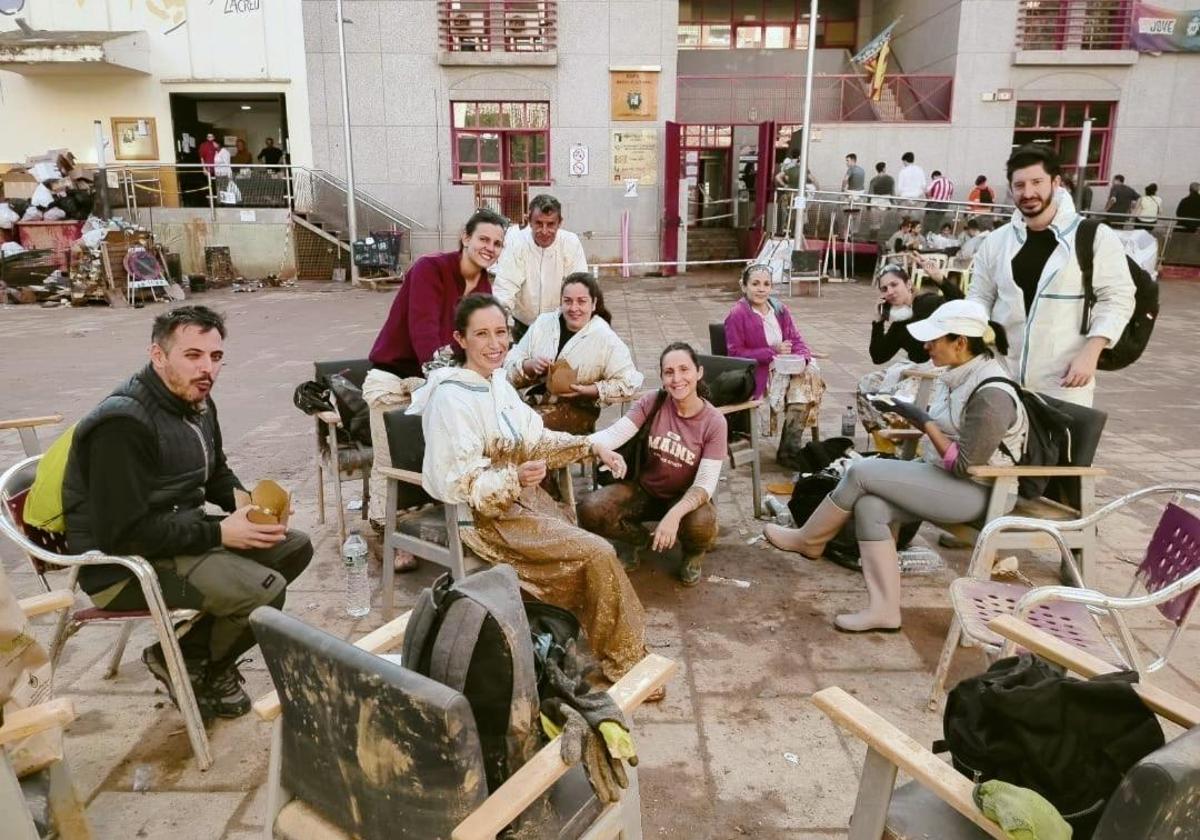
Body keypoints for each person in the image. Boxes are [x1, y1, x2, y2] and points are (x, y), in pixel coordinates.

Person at [60, 306, 313, 718]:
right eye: (192, 355)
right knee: (262, 590)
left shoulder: (195, 399)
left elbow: (215, 473)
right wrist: (218, 535)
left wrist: (248, 505)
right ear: (158, 356)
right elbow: (120, 534)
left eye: (215, 358)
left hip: (174, 536)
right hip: (122, 567)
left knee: (291, 546)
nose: (207, 369)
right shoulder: (122, 424)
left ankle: (183, 653)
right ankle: (196, 662)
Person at [407, 294, 647, 683]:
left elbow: (536, 440)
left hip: (524, 502)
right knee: (598, 551)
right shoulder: (451, 397)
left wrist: (591, 445)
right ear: (460, 339)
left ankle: (573, 640)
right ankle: (626, 661)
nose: (495, 343)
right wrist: (512, 479)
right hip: (486, 520)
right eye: (481, 334)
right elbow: (459, 485)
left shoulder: (498, 383)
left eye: (501, 332)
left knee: (583, 548)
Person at [767, 301, 1028, 632]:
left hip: (981, 492)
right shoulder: (959, 375)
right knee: (871, 506)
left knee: (860, 472)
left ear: (959, 343)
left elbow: (965, 465)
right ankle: (884, 610)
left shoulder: (992, 394)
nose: (926, 346)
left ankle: (809, 539)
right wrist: (909, 414)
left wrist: (924, 422)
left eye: (934, 340)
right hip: (946, 478)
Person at [363, 208, 507, 537]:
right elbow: (423, 334)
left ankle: (460, 523)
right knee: (392, 459)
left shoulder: (485, 287)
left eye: (497, 244)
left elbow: (480, 341)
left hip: (442, 383)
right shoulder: (430, 268)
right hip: (395, 377)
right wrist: (453, 385)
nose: (490, 247)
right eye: (483, 239)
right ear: (465, 237)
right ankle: (383, 529)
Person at [968, 144, 1134, 407]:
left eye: (1037, 182)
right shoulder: (997, 242)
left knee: (1061, 448)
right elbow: (979, 295)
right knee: (998, 448)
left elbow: (1118, 298)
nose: (1028, 192)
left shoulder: (1093, 236)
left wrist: (1091, 353)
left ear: (1056, 183)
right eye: (1019, 185)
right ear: (1011, 189)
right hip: (1002, 377)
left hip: (1065, 379)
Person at [579, 343, 727, 587]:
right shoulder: (653, 402)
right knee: (590, 508)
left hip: (684, 500)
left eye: (684, 370)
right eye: (669, 372)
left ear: (699, 372)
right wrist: (575, 445)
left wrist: (674, 515)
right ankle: (636, 540)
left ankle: (692, 554)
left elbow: (705, 485)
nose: (677, 379)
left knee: (702, 524)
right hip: (644, 492)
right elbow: (613, 434)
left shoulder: (714, 422)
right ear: (662, 377)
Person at [505, 272, 643, 434]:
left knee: (526, 429)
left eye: (582, 302)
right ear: (561, 302)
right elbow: (508, 364)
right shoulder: (544, 324)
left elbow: (630, 381)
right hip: (534, 401)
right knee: (505, 422)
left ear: (593, 304)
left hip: (577, 411)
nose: (574, 308)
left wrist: (590, 390)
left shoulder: (605, 338)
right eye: (567, 301)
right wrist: (529, 366)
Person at [723, 264, 821, 436]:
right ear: (743, 286)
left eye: (766, 284)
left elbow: (796, 339)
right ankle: (789, 451)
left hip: (785, 368)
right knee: (803, 390)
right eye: (755, 284)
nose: (761, 289)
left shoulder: (779, 309)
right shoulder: (737, 314)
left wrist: (802, 359)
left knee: (805, 382)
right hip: (758, 373)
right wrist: (772, 351)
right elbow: (735, 354)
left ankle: (788, 449)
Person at [492, 194, 588, 341]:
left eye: (550, 224)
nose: (544, 231)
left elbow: (580, 286)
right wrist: (497, 318)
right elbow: (506, 285)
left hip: (561, 325)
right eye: (538, 223)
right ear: (529, 221)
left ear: (559, 223)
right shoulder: (516, 243)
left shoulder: (570, 243)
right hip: (523, 325)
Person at [869, 263, 964, 366]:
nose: (890, 292)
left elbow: (961, 304)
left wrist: (941, 280)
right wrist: (878, 321)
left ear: (908, 284)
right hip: (920, 374)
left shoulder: (928, 302)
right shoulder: (899, 323)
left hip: (945, 367)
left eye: (894, 284)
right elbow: (878, 357)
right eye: (884, 289)